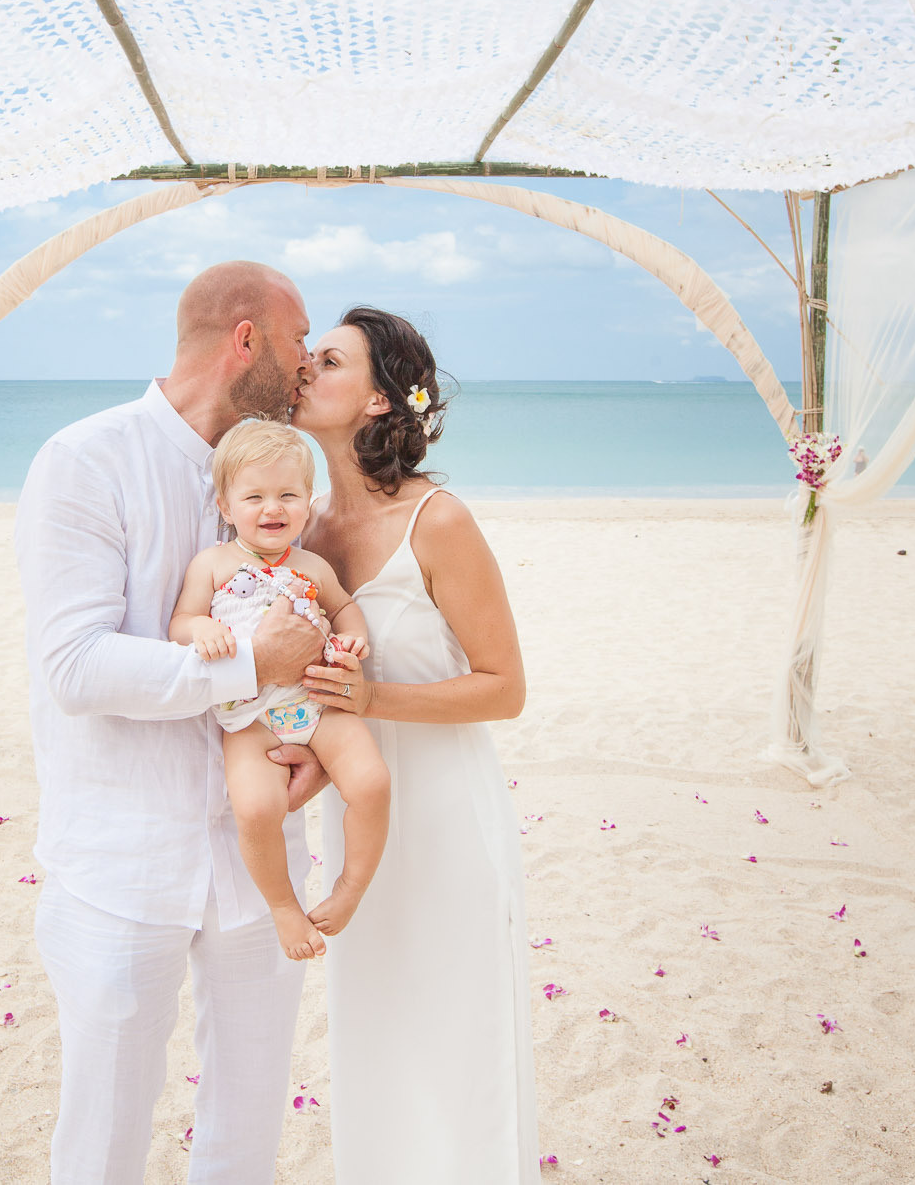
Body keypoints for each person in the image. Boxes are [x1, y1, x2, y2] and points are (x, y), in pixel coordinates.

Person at [15, 261, 332, 1184]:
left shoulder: (283, 479)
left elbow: (315, 628)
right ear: (246, 339)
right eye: (299, 336)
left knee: (248, 1127)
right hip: (122, 859)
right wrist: (249, 664)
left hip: (258, 856)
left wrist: (315, 740)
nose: (308, 359)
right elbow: (76, 666)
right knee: (104, 1137)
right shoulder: (85, 460)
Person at [292, 305, 542, 1184]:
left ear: (379, 400)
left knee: (460, 1045)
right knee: (378, 1039)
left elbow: (504, 686)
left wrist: (374, 697)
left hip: (445, 822)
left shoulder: (437, 519)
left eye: (329, 359)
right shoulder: (301, 530)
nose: (305, 366)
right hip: (358, 831)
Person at [170, 418, 390, 961]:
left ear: (308, 502)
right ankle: (284, 906)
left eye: (288, 495)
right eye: (255, 497)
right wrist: (203, 630)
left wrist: (354, 637)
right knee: (256, 809)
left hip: (318, 701)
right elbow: (181, 622)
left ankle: (351, 886)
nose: (273, 508)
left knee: (372, 783)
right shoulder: (213, 564)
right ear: (225, 507)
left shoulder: (313, 565)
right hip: (250, 718)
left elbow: (343, 607)